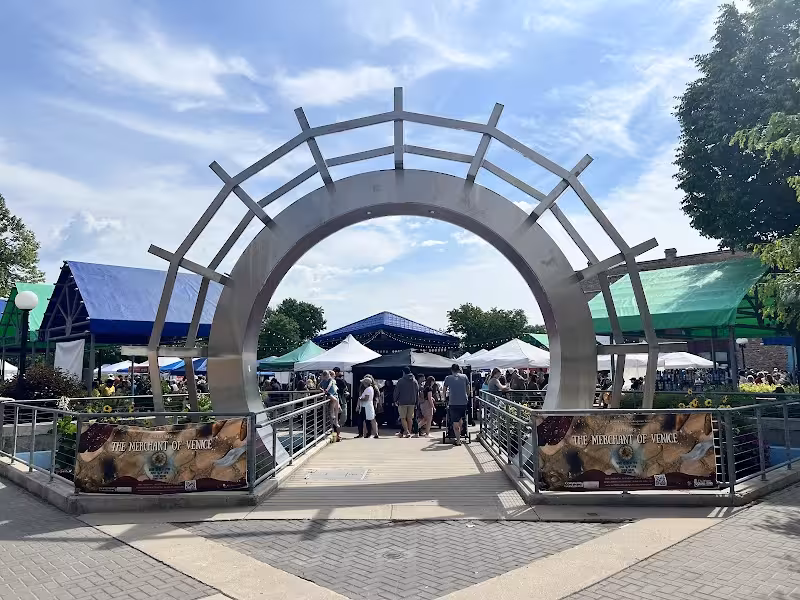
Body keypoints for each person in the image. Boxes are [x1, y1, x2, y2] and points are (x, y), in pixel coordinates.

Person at [444, 363, 471, 446]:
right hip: (463, 402)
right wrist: (467, 396)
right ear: (459, 369)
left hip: (453, 402)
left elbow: (444, 389)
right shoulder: (464, 377)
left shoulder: (448, 378)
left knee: (455, 421)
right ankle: (460, 432)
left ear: (451, 370)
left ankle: (458, 440)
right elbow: (468, 388)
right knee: (461, 419)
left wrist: (444, 398)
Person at [393, 367, 419, 438]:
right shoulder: (415, 381)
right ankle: (409, 432)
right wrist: (417, 402)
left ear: (403, 372)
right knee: (410, 418)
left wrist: (395, 400)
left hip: (402, 402)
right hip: (412, 402)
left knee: (403, 418)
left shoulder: (401, 381)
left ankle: (407, 432)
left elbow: (397, 391)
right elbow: (417, 392)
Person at [319, 370, 341, 442]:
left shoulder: (330, 380)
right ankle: (336, 436)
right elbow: (320, 386)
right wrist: (323, 390)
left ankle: (337, 435)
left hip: (332, 396)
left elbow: (330, 385)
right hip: (331, 396)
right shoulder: (324, 380)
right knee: (334, 420)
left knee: (334, 419)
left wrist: (325, 390)